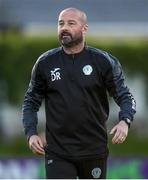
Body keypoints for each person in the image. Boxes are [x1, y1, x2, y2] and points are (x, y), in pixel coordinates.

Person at [22, 7, 136, 179]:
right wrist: (31, 133)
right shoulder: (45, 63)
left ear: (84, 28)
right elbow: (30, 102)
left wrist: (125, 121)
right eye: (61, 24)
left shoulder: (103, 61)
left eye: (71, 23)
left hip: (93, 150)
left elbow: (125, 96)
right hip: (58, 152)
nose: (64, 28)